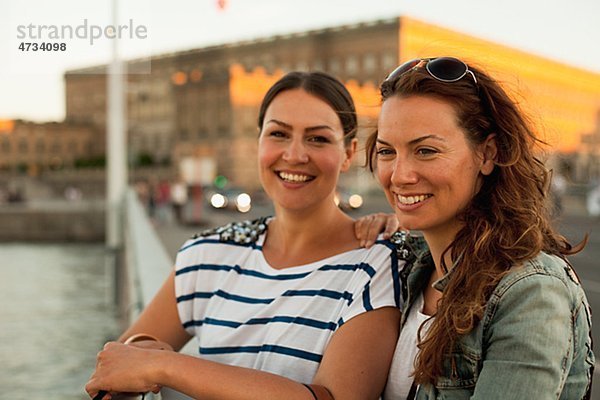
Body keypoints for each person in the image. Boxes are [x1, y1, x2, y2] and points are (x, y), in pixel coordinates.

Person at [86, 71, 403, 400]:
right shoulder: (207, 254)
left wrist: (164, 366)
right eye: (278, 134)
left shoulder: (376, 263)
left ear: (349, 153)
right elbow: (113, 368)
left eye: (318, 139)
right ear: (259, 142)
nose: (294, 155)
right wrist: (146, 349)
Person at [365, 57, 594, 399]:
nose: (399, 175)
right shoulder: (401, 264)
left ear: (487, 154)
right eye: (387, 151)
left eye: (425, 151)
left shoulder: (530, 293)